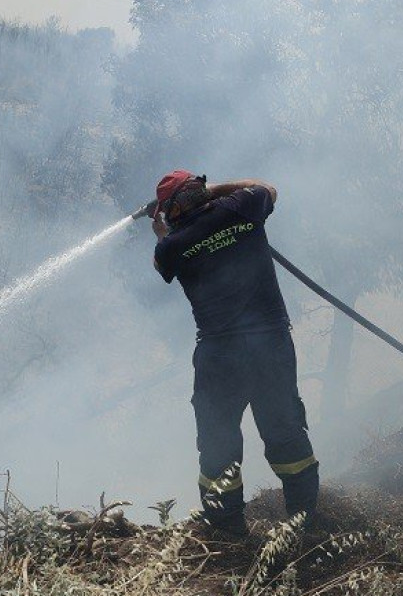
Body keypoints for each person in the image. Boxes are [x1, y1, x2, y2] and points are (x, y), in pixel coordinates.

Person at [150, 170, 318, 537]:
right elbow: (268, 188)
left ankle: (227, 534)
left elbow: (161, 263)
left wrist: (162, 229)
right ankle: (305, 522)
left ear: (171, 209)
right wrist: (216, 189)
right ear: (200, 191)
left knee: (217, 442)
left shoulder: (173, 245)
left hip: (219, 356)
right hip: (270, 346)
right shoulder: (242, 207)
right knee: (285, 430)